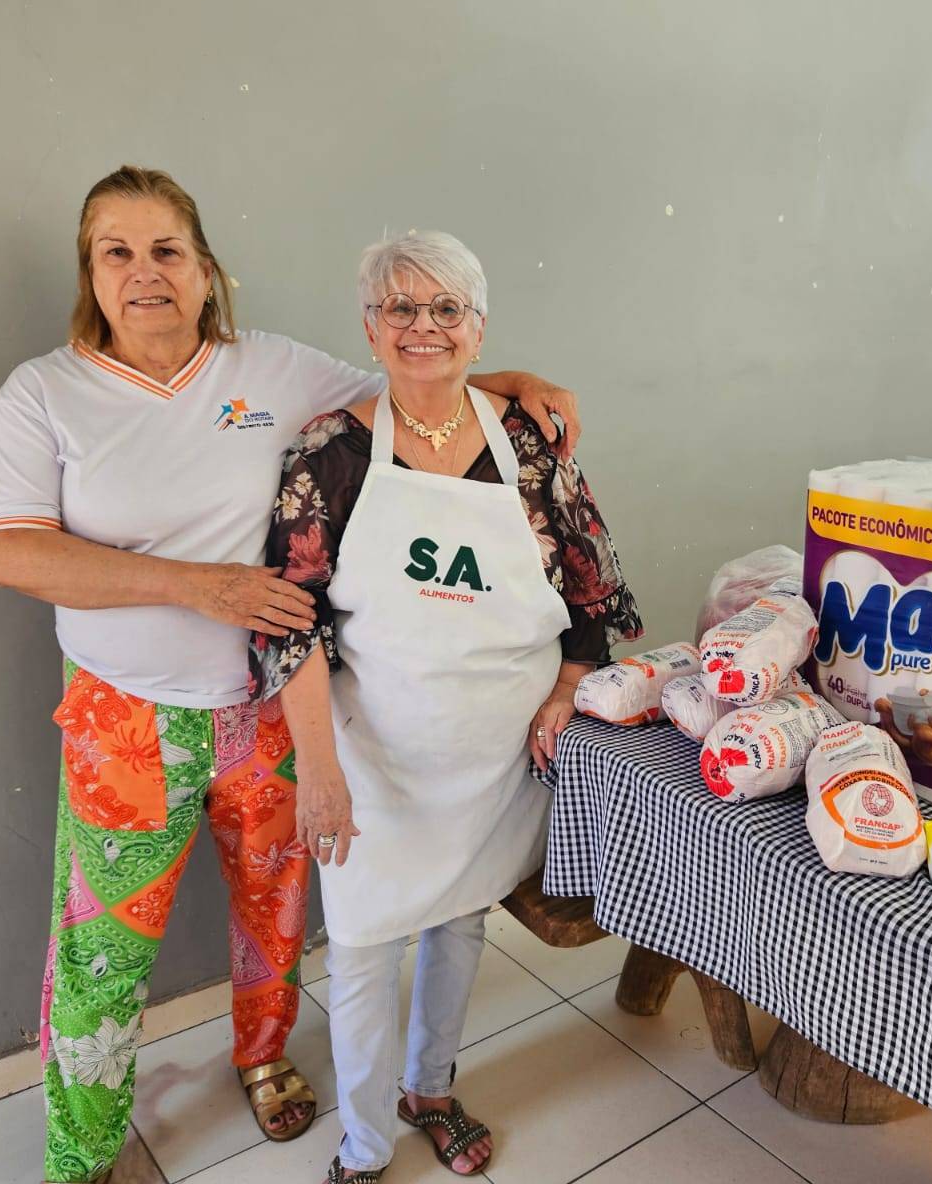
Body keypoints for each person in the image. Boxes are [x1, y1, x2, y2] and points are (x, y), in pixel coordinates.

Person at [0, 167, 580, 1184]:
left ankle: (261, 1060)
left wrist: (510, 379)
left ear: (206, 269)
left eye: (167, 249)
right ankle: (80, 1152)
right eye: (115, 252)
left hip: (276, 717)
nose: (144, 272)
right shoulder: (47, 392)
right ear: (90, 272)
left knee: (278, 918)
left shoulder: (277, 370)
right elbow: (9, 551)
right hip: (128, 724)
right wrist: (197, 588)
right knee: (101, 953)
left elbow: (414, 388)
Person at [255, 230, 642, 1181]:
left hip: (493, 746)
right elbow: (287, 624)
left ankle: (431, 1089)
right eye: (400, 308)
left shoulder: (527, 442)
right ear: (369, 327)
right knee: (359, 946)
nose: (422, 327)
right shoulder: (332, 451)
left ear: (478, 329)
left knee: (460, 919)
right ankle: (363, 1142)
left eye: (445, 310)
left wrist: (561, 691)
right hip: (373, 751)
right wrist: (320, 770)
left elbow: (593, 586)